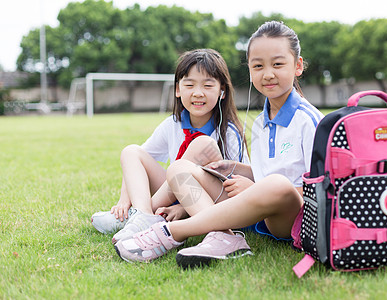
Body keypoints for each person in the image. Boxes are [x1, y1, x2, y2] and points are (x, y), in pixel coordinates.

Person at [114, 21, 324, 267]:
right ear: (249, 70)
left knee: (276, 185)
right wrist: (233, 169)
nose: (268, 74)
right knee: (178, 169)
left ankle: (174, 231)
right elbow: (267, 172)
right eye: (258, 66)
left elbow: (319, 191)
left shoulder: (309, 120)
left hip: (292, 219)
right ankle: (223, 237)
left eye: (278, 64)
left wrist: (253, 188)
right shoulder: (260, 123)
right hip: (258, 214)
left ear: (297, 66)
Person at [91, 49, 249, 244]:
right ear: (177, 89)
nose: (198, 93)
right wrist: (124, 200)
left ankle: (141, 218)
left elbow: (237, 188)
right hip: (172, 191)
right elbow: (137, 163)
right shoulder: (171, 124)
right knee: (131, 151)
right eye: (189, 85)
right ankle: (141, 214)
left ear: (222, 91)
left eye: (208, 85)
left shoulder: (229, 132)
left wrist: (183, 210)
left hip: (210, 201)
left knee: (201, 145)